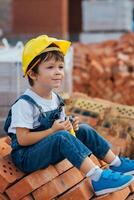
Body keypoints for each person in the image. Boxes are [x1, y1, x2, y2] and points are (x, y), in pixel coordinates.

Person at [4, 35, 134, 196]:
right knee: (60, 137)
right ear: (33, 73)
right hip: (27, 157)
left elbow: (62, 129)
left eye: (60, 66)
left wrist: (70, 126)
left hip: (47, 148)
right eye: (50, 67)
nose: (58, 72)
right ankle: (98, 178)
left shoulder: (55, 99)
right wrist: (53, 131)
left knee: (84, 130)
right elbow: (22, 139)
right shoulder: (25, 104)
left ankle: (117, 163)